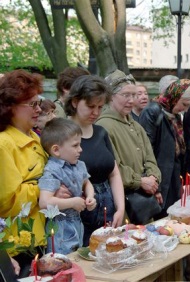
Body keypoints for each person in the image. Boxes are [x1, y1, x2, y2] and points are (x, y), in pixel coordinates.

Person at [66, 75, 125, 246]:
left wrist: (120, 207)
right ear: (75, 102)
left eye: (100, 107)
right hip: (80, 210)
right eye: (91, 106)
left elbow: (114, 173)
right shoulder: (62, 134)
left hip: (108, 208)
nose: (96, 112)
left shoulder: (101, 132)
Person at [96, 70, 162, 224]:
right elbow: (114, 168)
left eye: (134, 95)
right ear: (111, 96)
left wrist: (153, 178)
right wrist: (141, 181)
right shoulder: (103, 126)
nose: (132, 100)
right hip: (122, 205)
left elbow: (150, 158)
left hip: (144, 201)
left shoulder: (136, 125)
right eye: (126, 95)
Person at [0, 70, 48, 277]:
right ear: (10, 106)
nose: (38, 109)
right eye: (32, 104)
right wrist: (46, 189)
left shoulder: (34, 137)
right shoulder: (4, 144)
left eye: (39, 103)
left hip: (41, 238)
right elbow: (8, 202)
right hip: (18, 246)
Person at [140, 79, 190, 218]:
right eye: (184, 104)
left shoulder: (174, 115)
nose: (185, 109)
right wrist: (156, 187)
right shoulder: (152, 111)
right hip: (160, 180)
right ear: (175, 96)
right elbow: (146, 152)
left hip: (173, 179)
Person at [38, 118, 97, 255]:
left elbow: (86, 182)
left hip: (77, 222)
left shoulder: (78, 164)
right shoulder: (52, 170)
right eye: (75, 145)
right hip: (60, 227)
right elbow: (45, 202)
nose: (80, 149)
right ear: (56, 150)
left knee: (77, 258)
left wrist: (90, 196)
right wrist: (72, 202)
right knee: (62, 263)